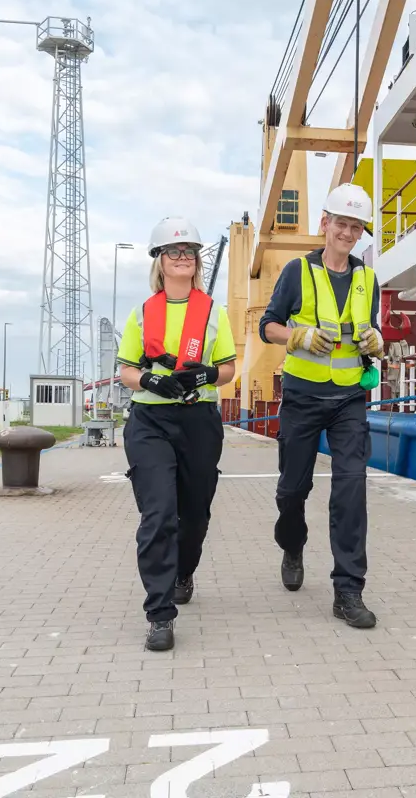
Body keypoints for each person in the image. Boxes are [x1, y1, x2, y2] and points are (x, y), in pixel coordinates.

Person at [258, 183, 382, 629]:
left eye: (355, 227)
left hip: (349, 398)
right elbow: (266, 326)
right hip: (303, 398)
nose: (347, 233)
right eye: (341, 224)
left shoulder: (368, 279)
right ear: (325, 224)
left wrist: (378, 340)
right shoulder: (298, 271)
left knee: (351, 490)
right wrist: (298, 336)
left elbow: (371, 333)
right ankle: (292, 543)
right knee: (293, 491)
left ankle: (348, 590)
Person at [116, 216, 237, 652]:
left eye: (189, 251)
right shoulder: (141, 313)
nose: (182, 257)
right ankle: (160, 614)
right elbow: (128, 368)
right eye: (174, 251)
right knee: (159, 516)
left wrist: (207, 373)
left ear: (197, 262)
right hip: (150, 422)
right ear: (159, 261)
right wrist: (150, 382)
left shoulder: (214, 312)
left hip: (198, 421)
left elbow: (227, 369)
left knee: (195, 516)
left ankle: (185, 572)